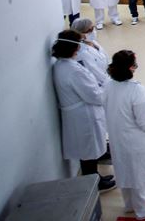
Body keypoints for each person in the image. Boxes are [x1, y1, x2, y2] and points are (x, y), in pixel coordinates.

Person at [104, 50, 145, 220]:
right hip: (136, 140)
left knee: (125, 171)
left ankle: (130, 205)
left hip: (118, 137)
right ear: (131, 68)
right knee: (141, 175)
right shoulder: (137, 90)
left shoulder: (108, 85)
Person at [51, 30, 116, 192]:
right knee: (88, 150)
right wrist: (106, 92)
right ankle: (94, 183)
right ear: (75, 47)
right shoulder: (74, 71)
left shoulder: (63, 65)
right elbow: (93, 95)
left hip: (78, 114)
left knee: (87, 148)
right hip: (83, 116)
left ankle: (94, 178)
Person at [72, 18, 110, 87]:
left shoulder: (93, 42)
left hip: (108, 75)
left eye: (93, 28)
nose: (93, 31)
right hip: (101, 85)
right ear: (79, 33)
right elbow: (96, 74)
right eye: (90, 29)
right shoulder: (81, 53)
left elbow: (105, 57)